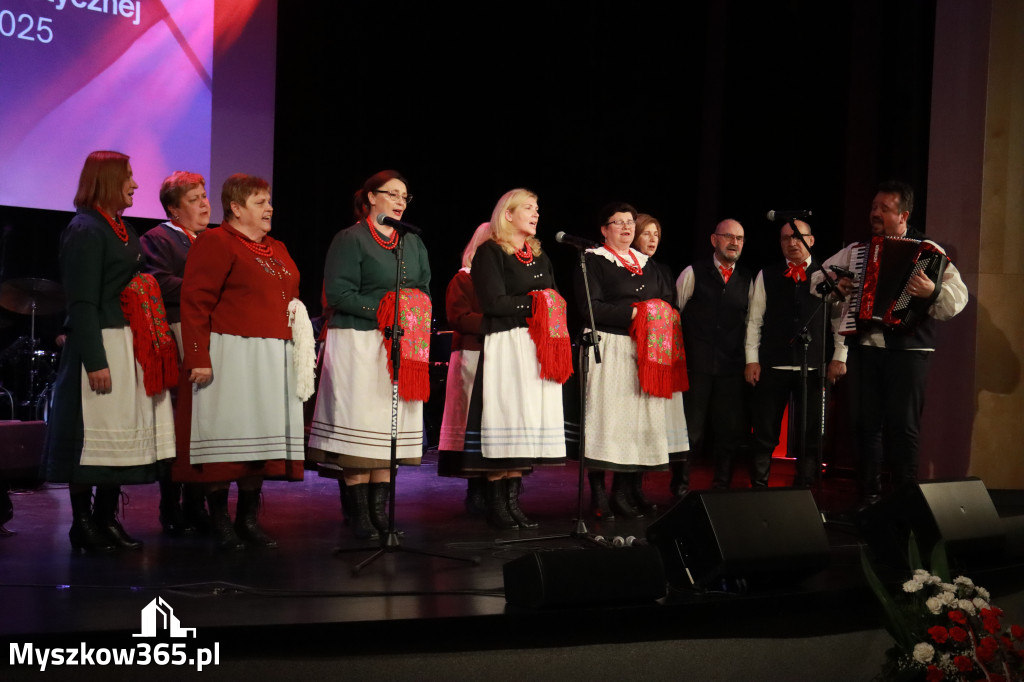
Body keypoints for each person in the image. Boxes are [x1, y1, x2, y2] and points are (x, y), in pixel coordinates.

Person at [41, 151, 176, 552]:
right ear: (108, 180)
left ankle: (105, 518)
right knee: (93, 438)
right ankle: (82, 524)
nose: (135, 185)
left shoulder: (117, 226)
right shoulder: (85, 229)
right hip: (100, 341)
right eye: (129, 177)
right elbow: (81, 301)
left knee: (116, 435)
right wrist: (95, 360)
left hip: (124, 338)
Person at [174, 174, 312, 550]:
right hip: (230, 353)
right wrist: (198, 357)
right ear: (235, 208)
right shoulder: (215, 243)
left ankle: (248, 519)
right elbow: (196, 302)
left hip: (272, 357)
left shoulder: (277, 247)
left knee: (259, 445)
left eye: (269, 201)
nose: (269, 208)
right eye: (259, 202)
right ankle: (220, 521)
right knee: (226, 438)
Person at [818, 181, 968, 502]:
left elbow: (958, 299)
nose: (875, 213)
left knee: (903, 427)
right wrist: (836, 286)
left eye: (884, 209)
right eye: (873, 207)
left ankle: (905, 499)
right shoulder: (858, 251)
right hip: (865, 349)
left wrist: (933, 292)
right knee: (864, 425)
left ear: (903, 216)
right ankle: (868, 496)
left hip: (909, 352)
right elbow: (819, 278)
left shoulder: (929, 251)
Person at [307, 170, 430, 540]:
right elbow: (340, 295)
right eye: (391, 193)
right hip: (358, 343)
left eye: (404, 196)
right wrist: (388, 308)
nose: (399, 200)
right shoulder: (350, 239)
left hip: (400, 344)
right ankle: (360, 513)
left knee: (386, 428)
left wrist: (409, 311)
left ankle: (380, 512)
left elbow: (422, 287)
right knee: (361, 428)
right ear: (370, 198)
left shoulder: (411, 241)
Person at [577, 203, 688, 518]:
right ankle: (598, 496)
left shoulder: (647, 265)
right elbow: (590, 307)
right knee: (606, 421)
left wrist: (657, 313)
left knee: (634, 424)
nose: (626, 228)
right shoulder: (593, 261)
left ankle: (623, 493)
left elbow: (665, 302)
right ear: (604, 229)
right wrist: (636, 313)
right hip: (609, 346)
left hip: (644, 350)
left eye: (630, 222)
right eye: (618, 222)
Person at [468, 189, 569, 529]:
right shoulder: (491, 252)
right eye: (528, 208)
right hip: (507, 343)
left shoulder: (539, 255)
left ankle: (513, 500)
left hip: (535, 345)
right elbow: (493, 302)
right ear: (508, 214)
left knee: (524, 422)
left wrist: (545, 302)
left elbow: (553, 293)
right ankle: (497, 503)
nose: (536, 213)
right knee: (506, 417)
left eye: (537, 208)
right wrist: (537, 304)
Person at [140, 171, 212, 536]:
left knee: (204, 422)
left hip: (209, 335)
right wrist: (207, 288)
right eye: (194, 199)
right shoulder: (158, 238)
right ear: (173, 208)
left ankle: (197, 504)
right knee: (179, 421)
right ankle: (171, 505)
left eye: (204, 196)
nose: (204, 204)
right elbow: (156, 279)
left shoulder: (213, 240)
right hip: (178, 333)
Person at [744, 220, 834, 487]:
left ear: (812, 240)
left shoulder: (826, 275)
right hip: (774, 364)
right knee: (764, 431)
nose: (792, 243)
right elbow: (754, 320)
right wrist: (752, 360)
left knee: (810, 433)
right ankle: (758, 487)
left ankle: (804, 489)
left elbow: (838, 320)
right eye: (786, 238)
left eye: (798, 237)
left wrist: (839, 356)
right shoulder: (767, 274)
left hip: (814, 365)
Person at [675, 219, 753, 494]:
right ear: (714, 240)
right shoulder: (693, 273)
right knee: (691, 431)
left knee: (728, 432)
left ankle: (722, 486)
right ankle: (681, 486)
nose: (734, 243)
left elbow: (752, 323)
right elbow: (675, 316)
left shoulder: (748, 279)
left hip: (731, 367)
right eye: (729, 237)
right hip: (696, 366)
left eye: (740, 238)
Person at [437, 223, 491, 516]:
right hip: (472, 356)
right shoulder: (464, 279)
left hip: (501, 358)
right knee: (473, 423)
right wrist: (495, 324)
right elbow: (458, 316)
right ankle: (476, 489)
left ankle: (498, 488)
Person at [633, 213, 676, 306]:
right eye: (646, 234)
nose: (653, 239)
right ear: (633, 237)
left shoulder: (664, 271)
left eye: (656, 235)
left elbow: (673, 304)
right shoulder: (623, 267)